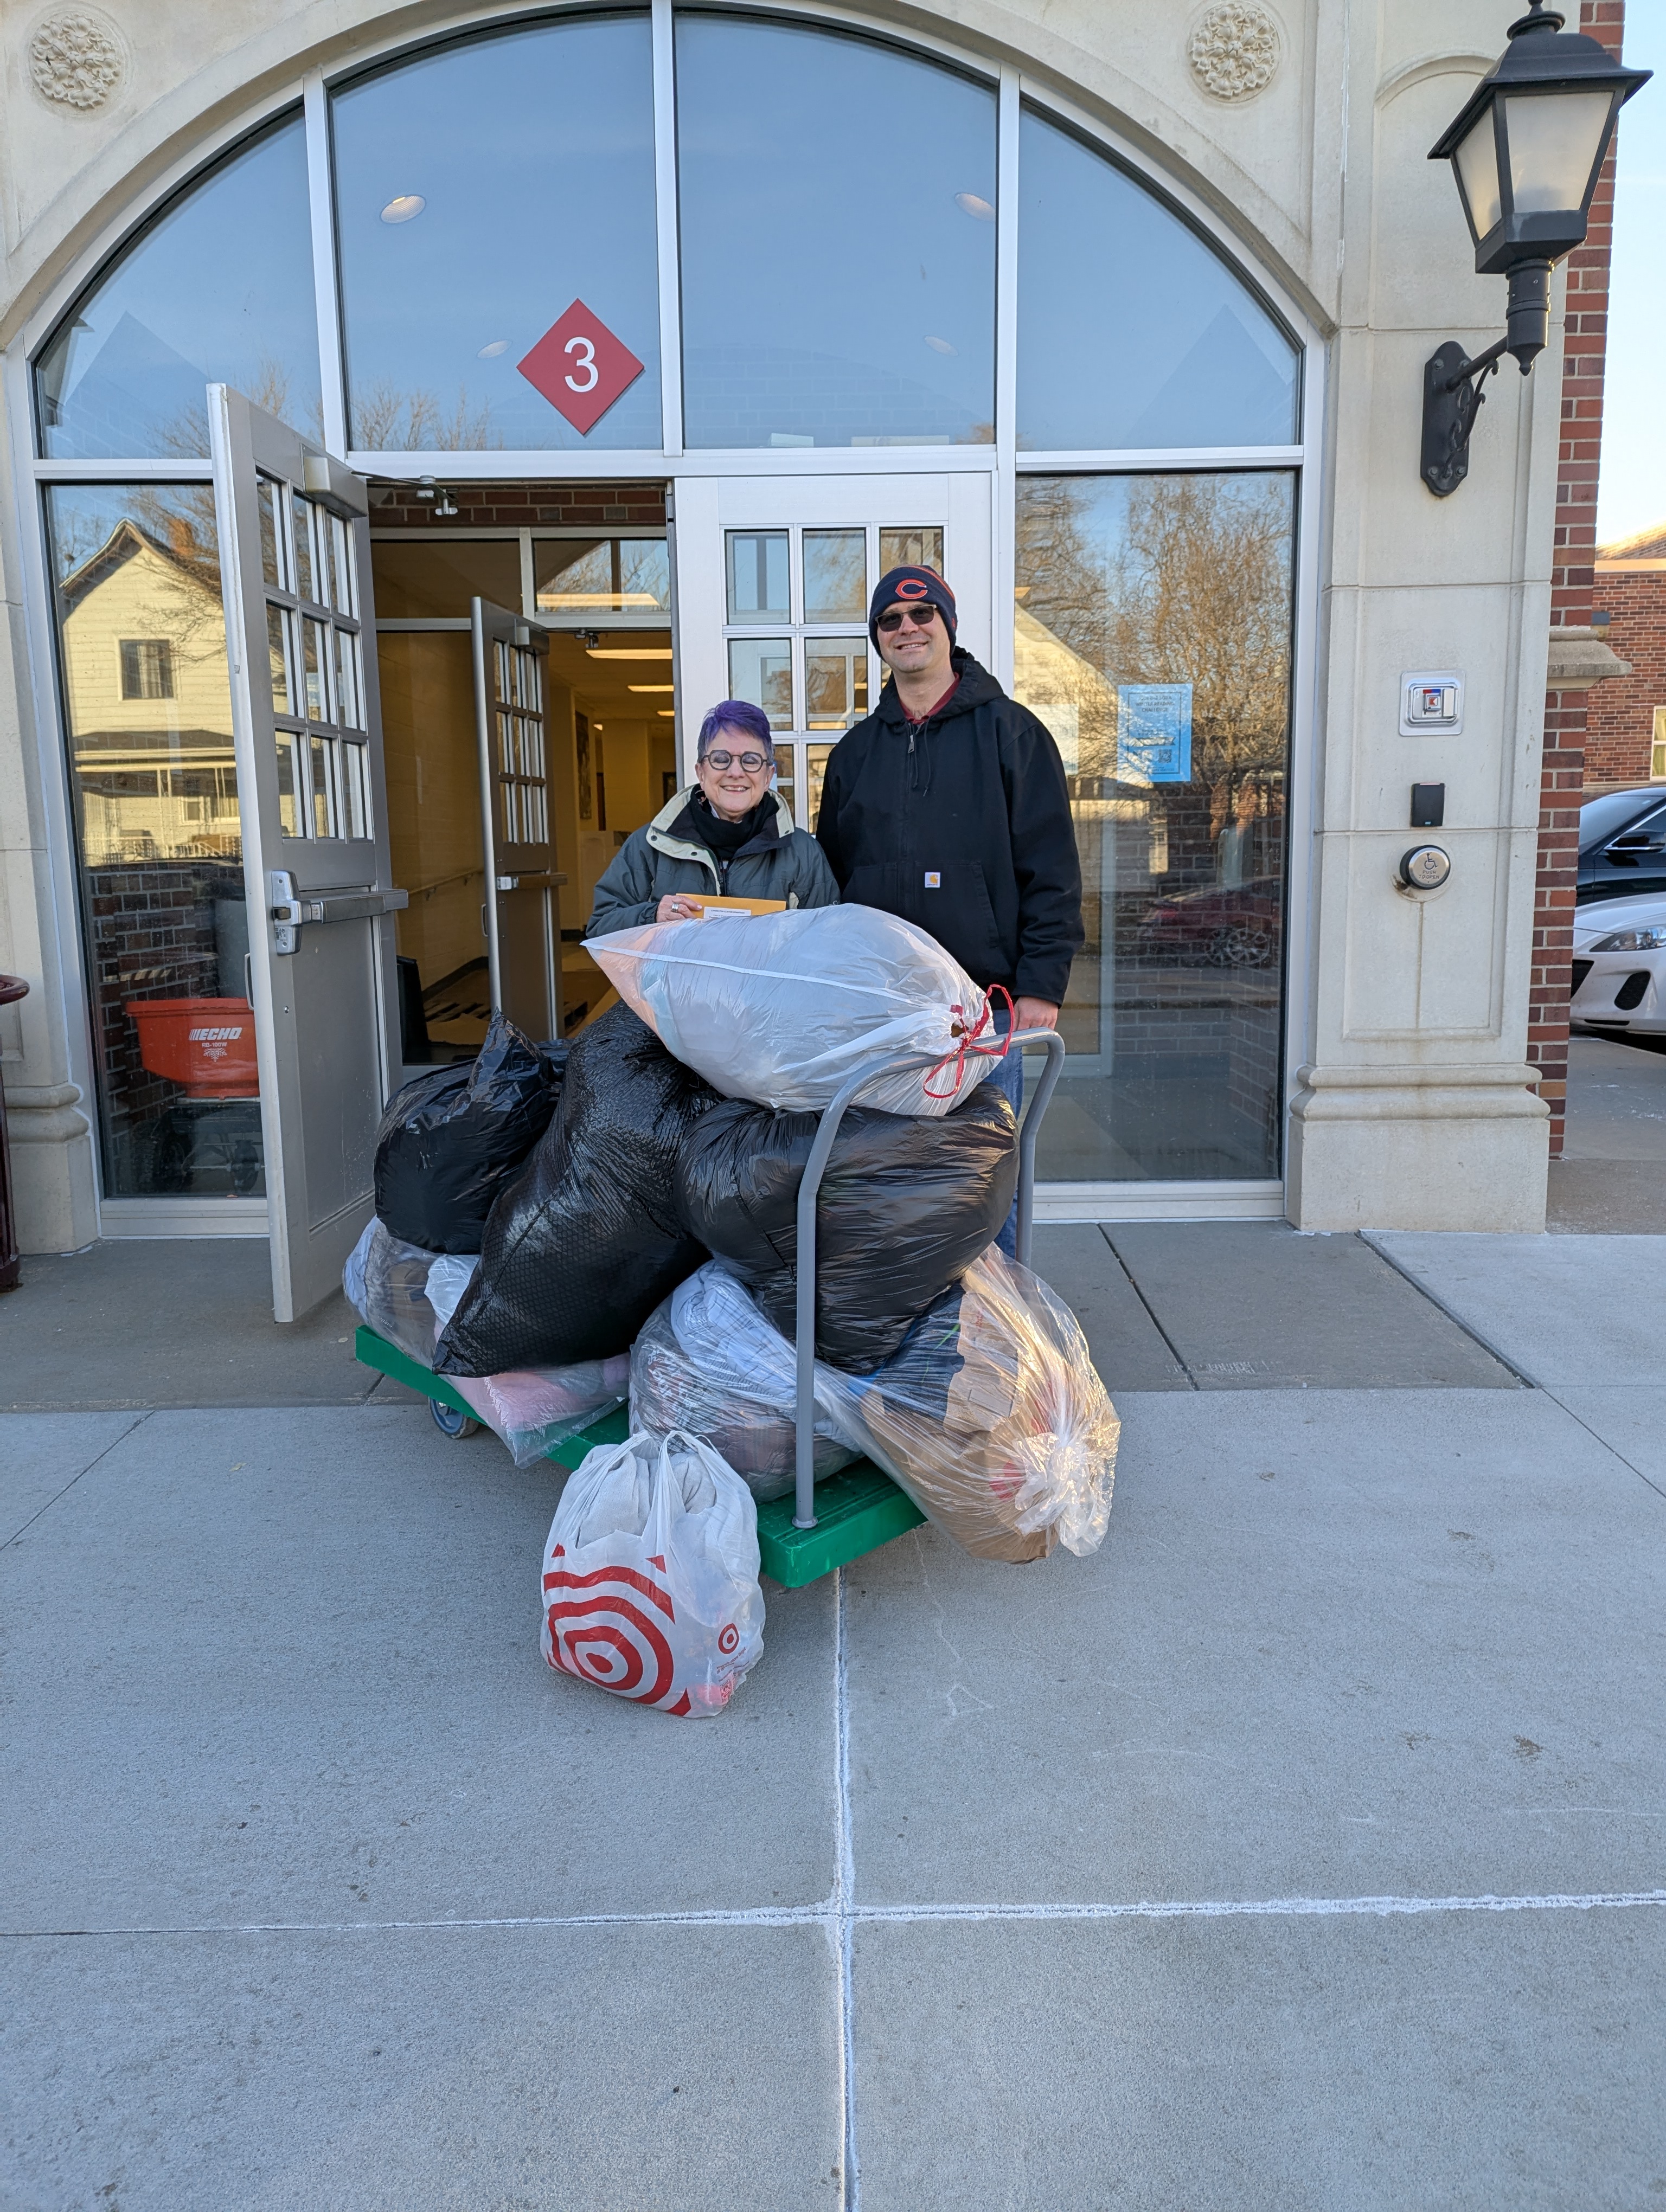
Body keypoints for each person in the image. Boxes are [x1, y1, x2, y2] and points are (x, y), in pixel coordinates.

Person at [816, 565, 1083, 1238]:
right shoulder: (854, 754)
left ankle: (1003, 1330)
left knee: (989, 1181)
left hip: (987, 1010)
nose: (908, 629)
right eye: (891, 621)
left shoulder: (1012, 735)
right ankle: (914, 1326)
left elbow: (1052, 871)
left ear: (948, 626)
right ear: (878, 640)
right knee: (889, 1179)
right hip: (882, 1014)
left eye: (922, 615)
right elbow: (834, 880)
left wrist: (1041, 984)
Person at [586, 700, 839, 935]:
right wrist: (652, 916)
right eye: (721, 759)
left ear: (768, 776)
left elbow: (831, 939)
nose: (736, 772)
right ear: (701, 772)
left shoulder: (801, 852)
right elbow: (601, 926)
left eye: (751, 760)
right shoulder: (650, 846)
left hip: (768, 986)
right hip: (676, 986)